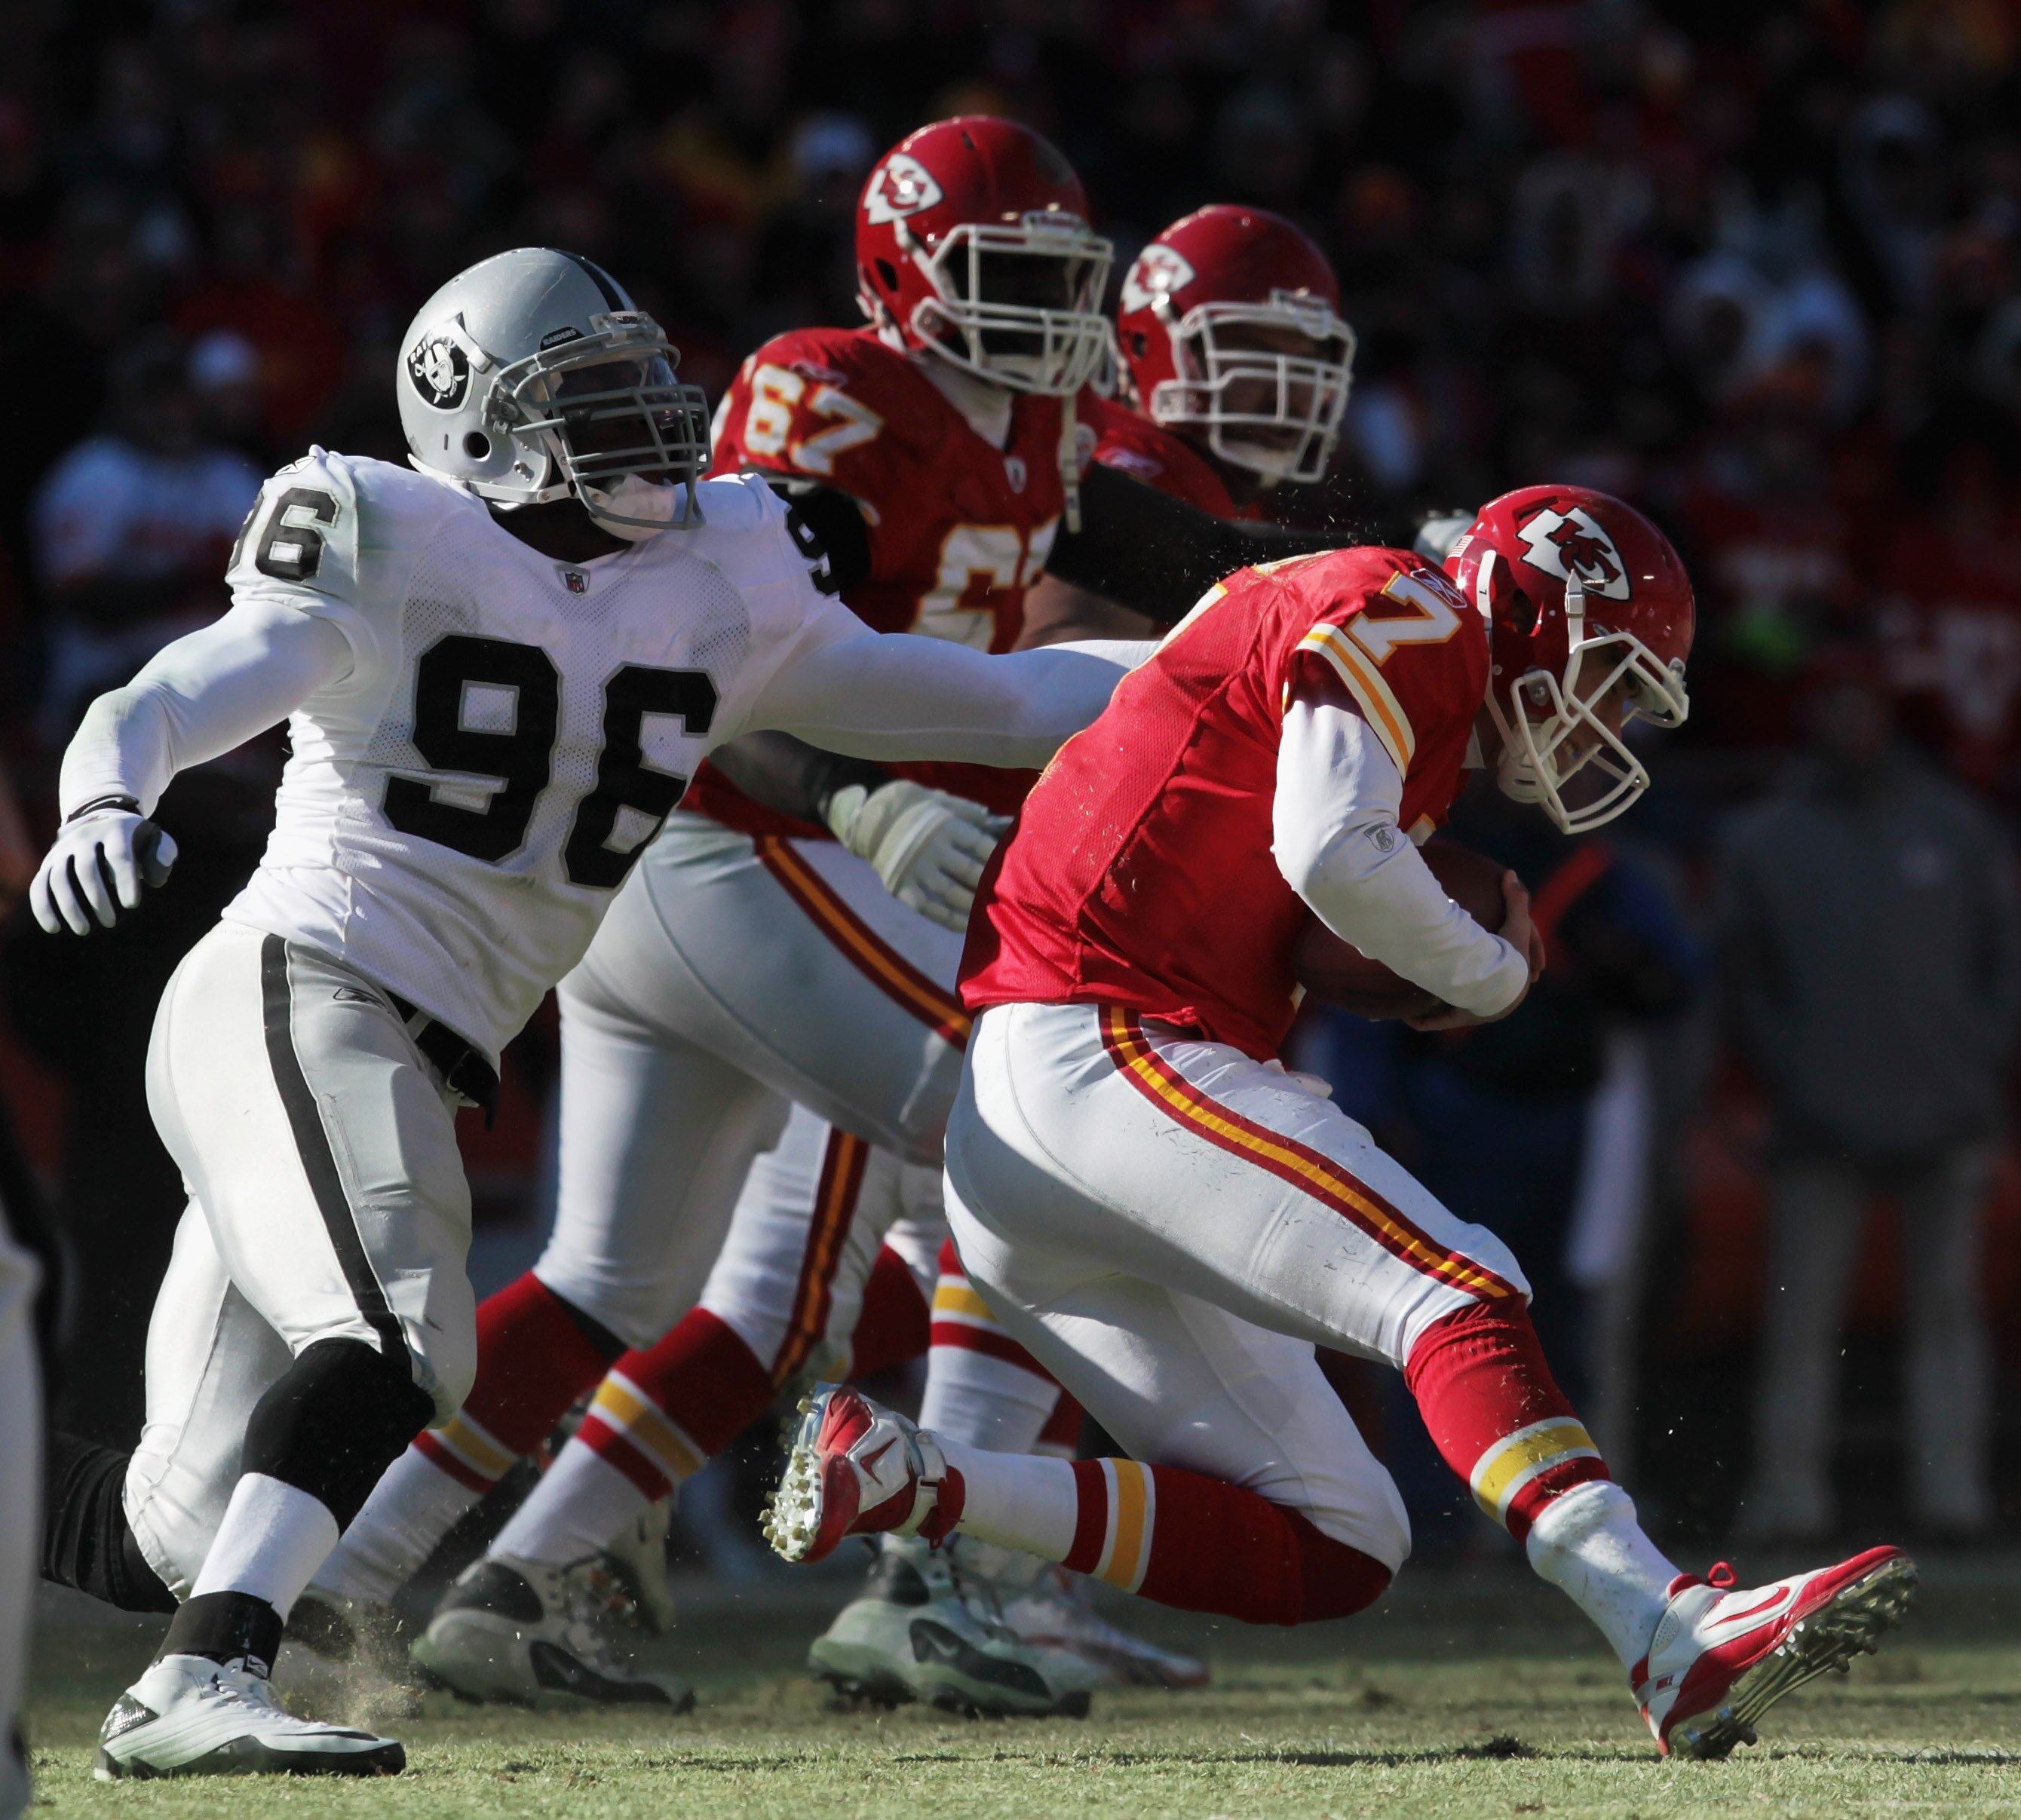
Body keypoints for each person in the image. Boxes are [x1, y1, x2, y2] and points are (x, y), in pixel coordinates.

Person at [29, 243, 1145, 1779]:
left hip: (407, 1041)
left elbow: (1006, 703)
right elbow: (169, 691)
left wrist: (1237, 653)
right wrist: (104, 799)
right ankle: (192, 1689)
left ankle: (178, 1611)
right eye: (591, 404)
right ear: (476, 428)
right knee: (398, 1334)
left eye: (642, 395)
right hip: (301, 984)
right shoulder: (390, 530)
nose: (648, 434)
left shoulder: (721, 572)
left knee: (184, 1524)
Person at [301, 128, 1361, 1715]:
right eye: (1011, 280)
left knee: (614, 1275)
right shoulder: (829, 397)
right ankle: (937, 1571)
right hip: (747, 846)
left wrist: (1365, 583)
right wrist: (858, 795)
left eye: (1070, 282)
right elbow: (708, 657)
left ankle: (348, 1585)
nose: (1052, 315)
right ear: (899, 277)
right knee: (1029, 1142)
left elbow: (1155, 553)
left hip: (758, 880)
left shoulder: (1044, 423)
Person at [768, 486, 1919, 1761]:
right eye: (1606, 674)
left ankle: (914, 1478)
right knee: (1453, 1282)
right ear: (1531, 612)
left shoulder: (1347, 649)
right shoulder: (1408, 606)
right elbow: (1330, 853)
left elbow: (1270, 836)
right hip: (1100, 1041)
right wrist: (1488, 974)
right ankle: (1663, 1621)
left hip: (1032, 1118)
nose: (1603, 721)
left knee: (1341, 1541)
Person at [1719, 647, 2021, 1543]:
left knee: (1949, 1313)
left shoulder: (1954, 824)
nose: (1852, 722)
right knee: (1800, 1316)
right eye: (1835, 704)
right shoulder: (1764, 837)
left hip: (1948, 1106)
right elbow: (1737, 982)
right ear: (1813, 716)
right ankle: (1789, 1499)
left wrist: (1977, 1057)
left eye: (1865, 704)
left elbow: (2004, 961)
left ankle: (1952, 1497)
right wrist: (1790, 1070)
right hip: (1818, 1118)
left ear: (1888, 714)